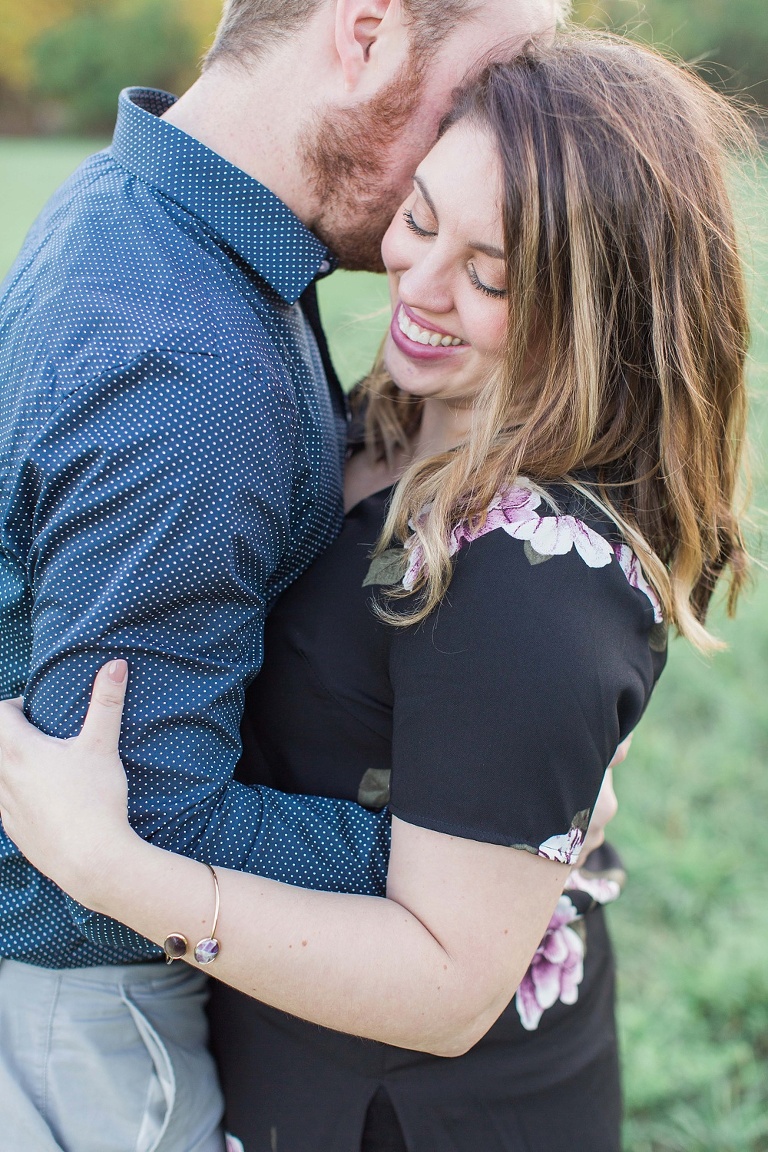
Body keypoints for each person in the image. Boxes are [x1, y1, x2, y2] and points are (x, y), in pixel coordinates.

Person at [0, 33, 751, 1152]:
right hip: (286, 1042)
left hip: (414, 1111)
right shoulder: (390, 415)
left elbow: (449, 986)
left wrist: (118, 867)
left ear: (597, 309)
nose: (421, 284)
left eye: (492, 274)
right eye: (421, 216)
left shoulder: (540, 574)